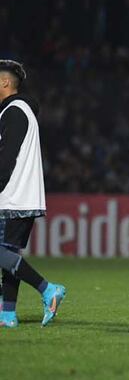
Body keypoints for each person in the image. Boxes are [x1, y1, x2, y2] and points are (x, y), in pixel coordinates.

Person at [0, 60, 66, 328]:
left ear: (5, 82)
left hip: (11, 197)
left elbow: (7, 160)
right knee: (8, 256)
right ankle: (7, 314)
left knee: (5, 254)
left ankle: (47, 288)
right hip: (20, 197)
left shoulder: (14, 112)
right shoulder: (20, 110)